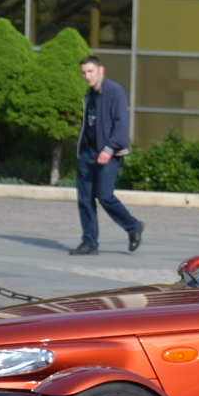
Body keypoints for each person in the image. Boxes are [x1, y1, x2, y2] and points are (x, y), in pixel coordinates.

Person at [69, 55, 142, 255]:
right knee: (85, 199)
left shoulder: (114, 91)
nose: (87, 76)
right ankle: (89, 242)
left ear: (101, 70)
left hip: (108, 152)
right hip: (87, 152)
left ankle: (133, 226)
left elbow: (121, 125)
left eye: (90, 71)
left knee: (104, 195)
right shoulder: (90, 95)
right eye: (84, 73)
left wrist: (108, 150)